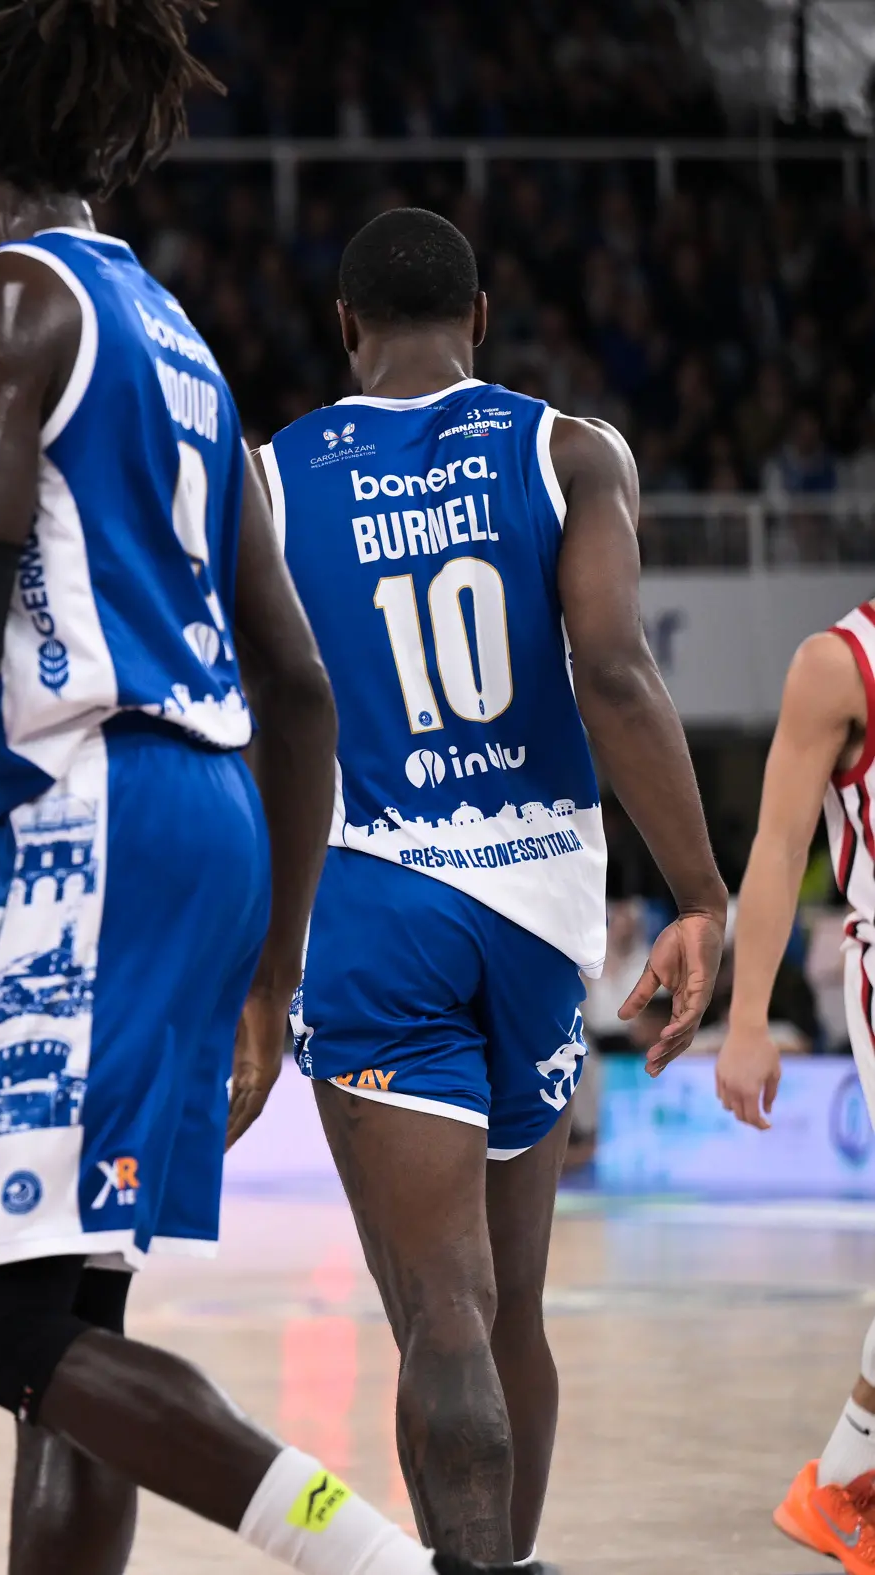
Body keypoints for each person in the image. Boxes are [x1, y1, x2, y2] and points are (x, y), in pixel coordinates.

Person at [0, 9, 503, 1575]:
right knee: (72, 1315)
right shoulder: (182, 343)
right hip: (214, 818)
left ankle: (385, 1562)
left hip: (101, 809)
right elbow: (297, 684)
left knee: (1, 1331)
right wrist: (270, 968)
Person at [260, 205, 727, 1566]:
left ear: (343, 327)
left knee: (440, 1311)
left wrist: (248, 959)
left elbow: (252, 720)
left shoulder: (269, 481)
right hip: (534, 917)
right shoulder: (569, 450)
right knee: (511, 1307)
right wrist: (699, 894)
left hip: (372, 900)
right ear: (477, 318)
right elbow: (616, 673)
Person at [712, 596, 875, 1569]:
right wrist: (745, 1021)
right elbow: (777, 847)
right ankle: (840, 1482)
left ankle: (847, 1475)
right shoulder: (839, 663)